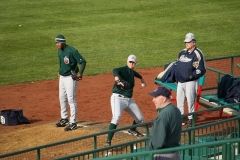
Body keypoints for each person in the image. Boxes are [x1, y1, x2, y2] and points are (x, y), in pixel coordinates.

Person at [105, 54, 147, 146]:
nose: (131, 64)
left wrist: (142, 79)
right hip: (118, 98)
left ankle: (132, 129)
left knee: (140, 119)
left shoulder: (131, 71)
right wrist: (117, 78)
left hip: (129, 100)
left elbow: (136, 74)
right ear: (127, 61)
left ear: (135, 63)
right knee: (116, 117)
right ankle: (108, 141)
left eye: (133, 62)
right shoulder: (123, 69)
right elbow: (115, 70)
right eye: (130, 62)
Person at [55, 34, 87, 131]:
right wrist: (59, 71)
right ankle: (64, 118)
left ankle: (73, 122)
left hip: (70, 78)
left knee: (71, 99)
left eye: (58, 42)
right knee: (62, 98)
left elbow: (83, 62)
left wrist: (80, 74)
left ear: (63, 42)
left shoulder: (72, 51)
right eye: (56, 42)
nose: (56, 44)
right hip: (62, 77)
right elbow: (61, 63)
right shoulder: (60, 51)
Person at [175, 32, 206, 126]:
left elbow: (201, 69)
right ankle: (180, 117)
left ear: (194, 42)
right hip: (180, 82)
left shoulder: (197, 54)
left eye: (188, 42)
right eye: (186, 42)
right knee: (179, 100)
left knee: (190, 101)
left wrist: (191, 76)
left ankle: (191, 119)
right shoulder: (182, 52)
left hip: (190, 82)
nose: (186, 44)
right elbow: (178, 65)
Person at [149, 86, 182, 160]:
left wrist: (151, 149)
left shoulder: (163, 115)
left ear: (163, 99)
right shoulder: (176, 110)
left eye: (155, 97)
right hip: (175, 154)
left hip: (163, 155)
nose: (153, 100)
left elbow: (157, 143)